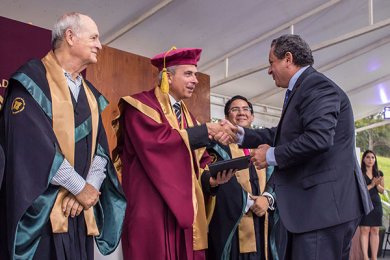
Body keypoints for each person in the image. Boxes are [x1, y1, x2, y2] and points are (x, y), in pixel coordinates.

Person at [216, 34, 373, 260]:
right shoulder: (303, 87)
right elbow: (283, 134)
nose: (269, 70)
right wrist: (240, 135)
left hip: (323, 208)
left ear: (288, 59)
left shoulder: (316, 86)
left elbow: (318, 139)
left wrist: (271, 155)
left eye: (271, 62)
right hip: (316, 210)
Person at [0, 12, 126, 260]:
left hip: (78, 215)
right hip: (43, 216)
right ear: (70, 36)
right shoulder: (31, 81)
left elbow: (101, 152)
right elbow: (32, 150)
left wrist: (86, 192)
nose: (99, 45)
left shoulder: (90, 94)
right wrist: (79, 188)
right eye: (94, 37)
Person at [113, 47, 235, 260]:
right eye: (188, 74)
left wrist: (211, 180)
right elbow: (159, 144)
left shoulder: (190, 120)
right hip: (152, 210)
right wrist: (204, 131)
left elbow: (200, 163)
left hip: (185, 213)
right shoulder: (140, 107)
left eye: (195, 74)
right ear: (167, 77)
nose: (195, 80)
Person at [206, 95, 278, 260]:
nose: (241, 113)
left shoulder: (265, 147)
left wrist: (267, 199)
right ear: (226, 117)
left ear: (252, 116)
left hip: (264, 224)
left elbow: (278, 178)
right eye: (235, 109)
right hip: (235, 225)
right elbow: (221, 181)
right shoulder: (217, 148)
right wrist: (250, 202)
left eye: (246, 109)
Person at [359, 150, 384, 260]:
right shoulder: (359, 174)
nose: (370, 159)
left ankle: (374, 257)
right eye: (368, 157)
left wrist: (377, 185)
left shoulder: (379, 174)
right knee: (364, 230)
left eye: (373, 157)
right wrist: (372, 184)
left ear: (375, 160)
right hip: (364, 204)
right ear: (363, 159)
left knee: (375, 230)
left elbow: (382, 191)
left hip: (376, 204)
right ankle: (365, 257)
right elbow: (360, 191)